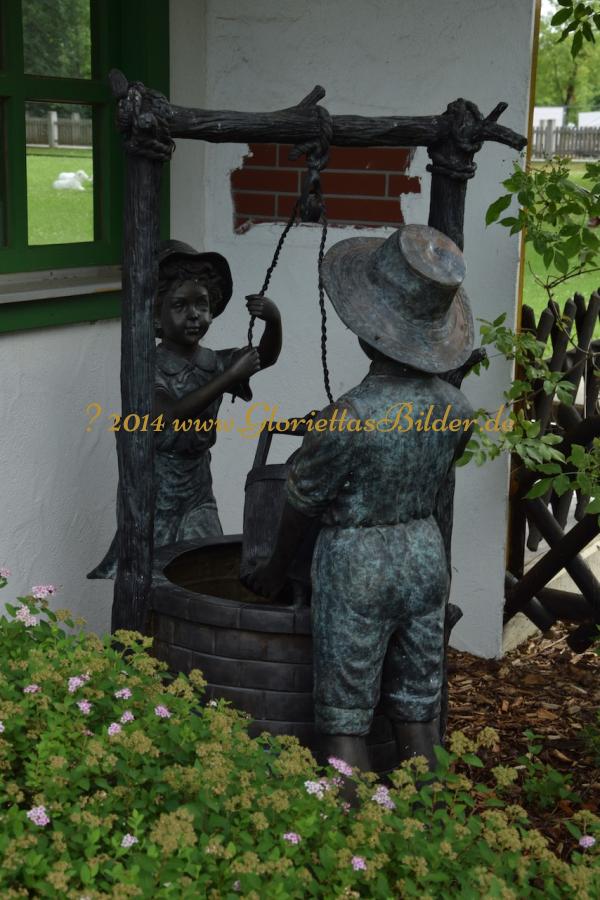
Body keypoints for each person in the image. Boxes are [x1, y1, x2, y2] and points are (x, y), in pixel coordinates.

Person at [247, 224, 474, 776]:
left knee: (345, 717)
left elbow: (302, 500)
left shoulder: (346, 418)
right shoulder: (456, 407)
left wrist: (274, 570)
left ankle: (352, 825)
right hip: (424, 556)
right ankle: (431, 817)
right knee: (417, 707)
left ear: (367, 333)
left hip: (357, 564)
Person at [88, 239, 282, 579]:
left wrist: (273, 321)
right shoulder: (149, 366)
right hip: (157, 492)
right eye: (180, 305)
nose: (194, 315)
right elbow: (169, 414)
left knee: (205, 565)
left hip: (198, 488)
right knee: (155, 575)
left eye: (202, 304)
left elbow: (263, 357)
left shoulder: (213, 362)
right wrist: (229, 377)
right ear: (156, 315)